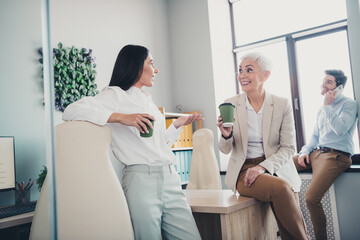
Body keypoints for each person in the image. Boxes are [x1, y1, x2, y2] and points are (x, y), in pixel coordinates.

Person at [62, 44, 202, 240]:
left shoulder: (149, 103)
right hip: (141, 181)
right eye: (151, 63)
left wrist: (177, 126)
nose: (156, 70)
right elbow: (71, 110)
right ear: (136, 66)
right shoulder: (115, 95)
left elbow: (158, 146)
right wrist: (120, 117)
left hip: (170, 178)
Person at [217, 52, 310, 240]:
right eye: (240, 70)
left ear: (265, 75)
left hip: (277, 167)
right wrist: (226, 135)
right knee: (283, 188)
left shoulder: (281, 104)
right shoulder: (230, 104)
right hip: (245, 171)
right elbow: (225, 149)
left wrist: (262, 168)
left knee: (289, 224)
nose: (242, 75)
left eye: (249, 70)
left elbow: (289, 147)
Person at [293, 69, 358, 240]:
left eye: (328, 82)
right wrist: (304, 152)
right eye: (323, 81)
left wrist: (328, 106)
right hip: (317, 153)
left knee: (311, 198)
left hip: (336, 157)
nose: (323, 84)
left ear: (339, 87)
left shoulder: (349, 104)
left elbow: (341, 129)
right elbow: (314, 136)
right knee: (281, 167)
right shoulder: (322, 109)